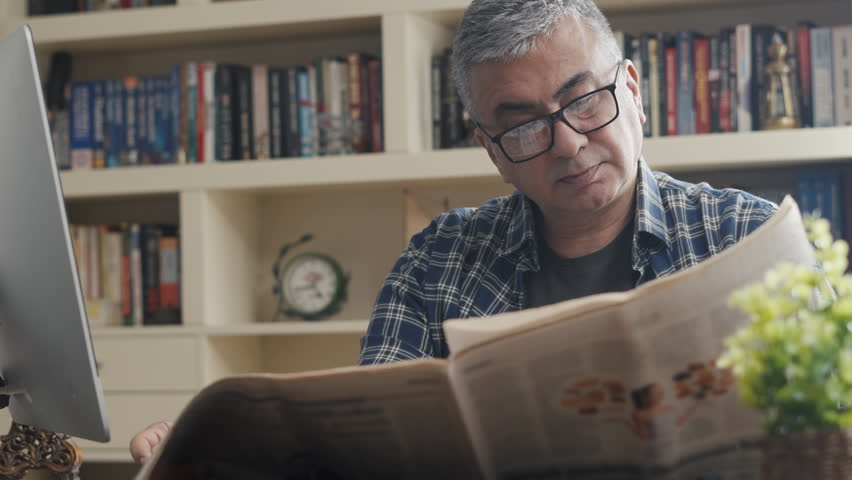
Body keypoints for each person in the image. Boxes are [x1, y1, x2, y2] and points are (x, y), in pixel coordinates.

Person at [130, 0, 777, 463]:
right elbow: (370, 450)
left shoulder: (745, 234)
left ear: (632, 90)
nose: (569, 144)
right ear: (491, 150)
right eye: (524, 127)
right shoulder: (439, 259)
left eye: (584, 100)